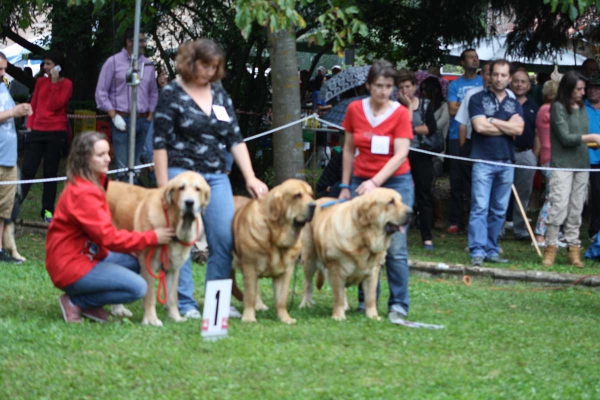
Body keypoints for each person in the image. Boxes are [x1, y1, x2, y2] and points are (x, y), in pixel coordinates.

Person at [153, 39, 268, 319]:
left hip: (216, 175)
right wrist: (162, 187)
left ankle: (218, 303)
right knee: (183, 239)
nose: (209, 71)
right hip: (180, 175)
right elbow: (159, 144)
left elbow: (235, 138)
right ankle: (185, 304)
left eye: (214, 66)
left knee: (224, 238)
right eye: (205, 65)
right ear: (191, 63)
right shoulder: (171, 93)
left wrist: (250, 177)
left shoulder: (219, 93)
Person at [45, 131, 175, 323]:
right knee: (138, 288)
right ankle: (76, 301)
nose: (107, 159)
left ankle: (88, 303)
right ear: (84, 159)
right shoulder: (84, 192)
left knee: (133, 262)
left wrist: (131, 248)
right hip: (70, 264)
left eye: (108, 153)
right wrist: (152, 237)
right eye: (100, 155)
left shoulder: (96, 184)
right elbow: (108, 237)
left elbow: (99, 234)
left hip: (86, 255)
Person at [339, 59, 414, 322]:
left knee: (395, 248)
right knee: (364, 242)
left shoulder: (401, 113)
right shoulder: (354, 109)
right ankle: (366, 302)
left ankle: (398, 305)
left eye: (388, 87)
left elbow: (401, 153)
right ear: (368, 85)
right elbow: (348, 149)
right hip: (361, 180)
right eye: (379, 86)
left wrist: (375, 183)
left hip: (395, 183)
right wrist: (345, 187)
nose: (383, 92)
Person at [468, 59, 524, 267]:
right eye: (496, 74)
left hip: (507, 161)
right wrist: (505, 125)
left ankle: (491, 249)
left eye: (503, 75)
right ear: (489, 76)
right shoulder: (476, 99)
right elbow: (479, 127)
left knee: (499, 209)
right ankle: (477, 250)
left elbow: (518, 130)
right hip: (483, 159)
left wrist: (491, 120)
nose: (499, 78)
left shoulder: (514, 103)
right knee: (480, 207)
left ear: (509, 78)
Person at [542, 72, 600, 267]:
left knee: (576, 208)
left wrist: (594, 142)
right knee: (558, 206)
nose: (583, 93)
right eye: (579, 89)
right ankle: (550, 247)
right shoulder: (558, 107)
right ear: (568, 88)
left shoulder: (582, 107)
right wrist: (592, 137)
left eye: (583, 89)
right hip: (562, 164)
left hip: (582, 164)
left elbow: (582, 137)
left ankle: (573, 249)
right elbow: (566, 138)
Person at [95, 28, 158, 173]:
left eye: (144, 40)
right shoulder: (113, 62)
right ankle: (123, 192)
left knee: (137, 167)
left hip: (143, 121)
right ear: (129, 42)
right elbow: (101, 91)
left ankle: (133, 193)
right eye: (140, 41)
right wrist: (113, 115)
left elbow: (153, 93)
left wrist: (150, 117)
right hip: (121, 119)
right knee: (123, 168)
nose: (144, 44)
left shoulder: (147, 65)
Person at [20, 51, 72, 222]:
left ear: (58, 66)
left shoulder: (66, 84)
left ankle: (47, 211)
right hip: (36, 131)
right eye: (44, 64)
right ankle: (14, 205)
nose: (45, 67)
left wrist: (55, 83)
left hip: (56, 132)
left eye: (49, 64)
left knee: (50, 173)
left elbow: (56, 104)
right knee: (28, 169)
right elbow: (33, 104)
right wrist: (29, 125)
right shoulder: (40, 82)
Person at [397, 70, 437, 250]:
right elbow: (398, 129)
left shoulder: (426, 104)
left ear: (414, 87)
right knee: (399, 194)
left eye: (408, 86)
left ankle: (427, 237)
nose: (405, 90)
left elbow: (430, 128)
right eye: (401, 87)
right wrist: (411, 121)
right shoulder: (395, 106)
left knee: (424, 195)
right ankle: (398, 234)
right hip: (400, 154)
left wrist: (409, 126)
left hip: (421, 153)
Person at [0, 51, 32, 264]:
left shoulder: (3, 87)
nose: (3, 73)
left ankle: (1, 250)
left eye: (4, 69)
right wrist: (14, 112)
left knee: (4, 209)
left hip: (8, 158)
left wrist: (22, 112)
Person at [446, 49, 483, 234]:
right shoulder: (454, 85)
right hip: (455, 135)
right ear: (462, 62)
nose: (475, 60)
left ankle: (473, 221)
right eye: (471, 57)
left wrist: (463, 104)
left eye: (476, 57)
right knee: (456, 180)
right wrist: (472, 104)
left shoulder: (484, 81)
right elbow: (451, 110)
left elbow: (483, 105)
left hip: (476, 136)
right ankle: (455, 221)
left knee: (474, 181)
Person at [507, 70, 539, 240]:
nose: (519, 84)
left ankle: (520, 229)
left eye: (523, 82)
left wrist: (534, 155)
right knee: (501, 191)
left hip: (526, 153)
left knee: (523, 194)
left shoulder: (534, 106)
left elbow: (537, 133)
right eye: (516, 81)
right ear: (510, 83)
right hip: (505, 152)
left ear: (528, 86)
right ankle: (497, 230)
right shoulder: (504, 102)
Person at [533, 79, 560, 247]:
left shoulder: (546, 109)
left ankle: (552, 234)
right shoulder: (548, 109)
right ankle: (540, 234)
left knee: (557, 197)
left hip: (552, 157)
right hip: (551, 158)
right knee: (552, 198)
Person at [420, 76, 449, 230]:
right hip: (421, 150)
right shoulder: (422, 106)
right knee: (421, 186)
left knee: (431, 186)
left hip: (437, 153)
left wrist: (422, 127)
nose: (423, 92)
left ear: (435, 90)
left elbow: (436, 126)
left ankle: (438, 217)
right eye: (422, 89)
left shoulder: (443, 106)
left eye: (426, 89)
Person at [586, 75, 600, 241]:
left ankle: (596, 229)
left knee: (598, 194)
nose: (593, 91)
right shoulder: (581, 108)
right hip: (583, 158)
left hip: (599, 160)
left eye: (597, 88)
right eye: (590, 88)